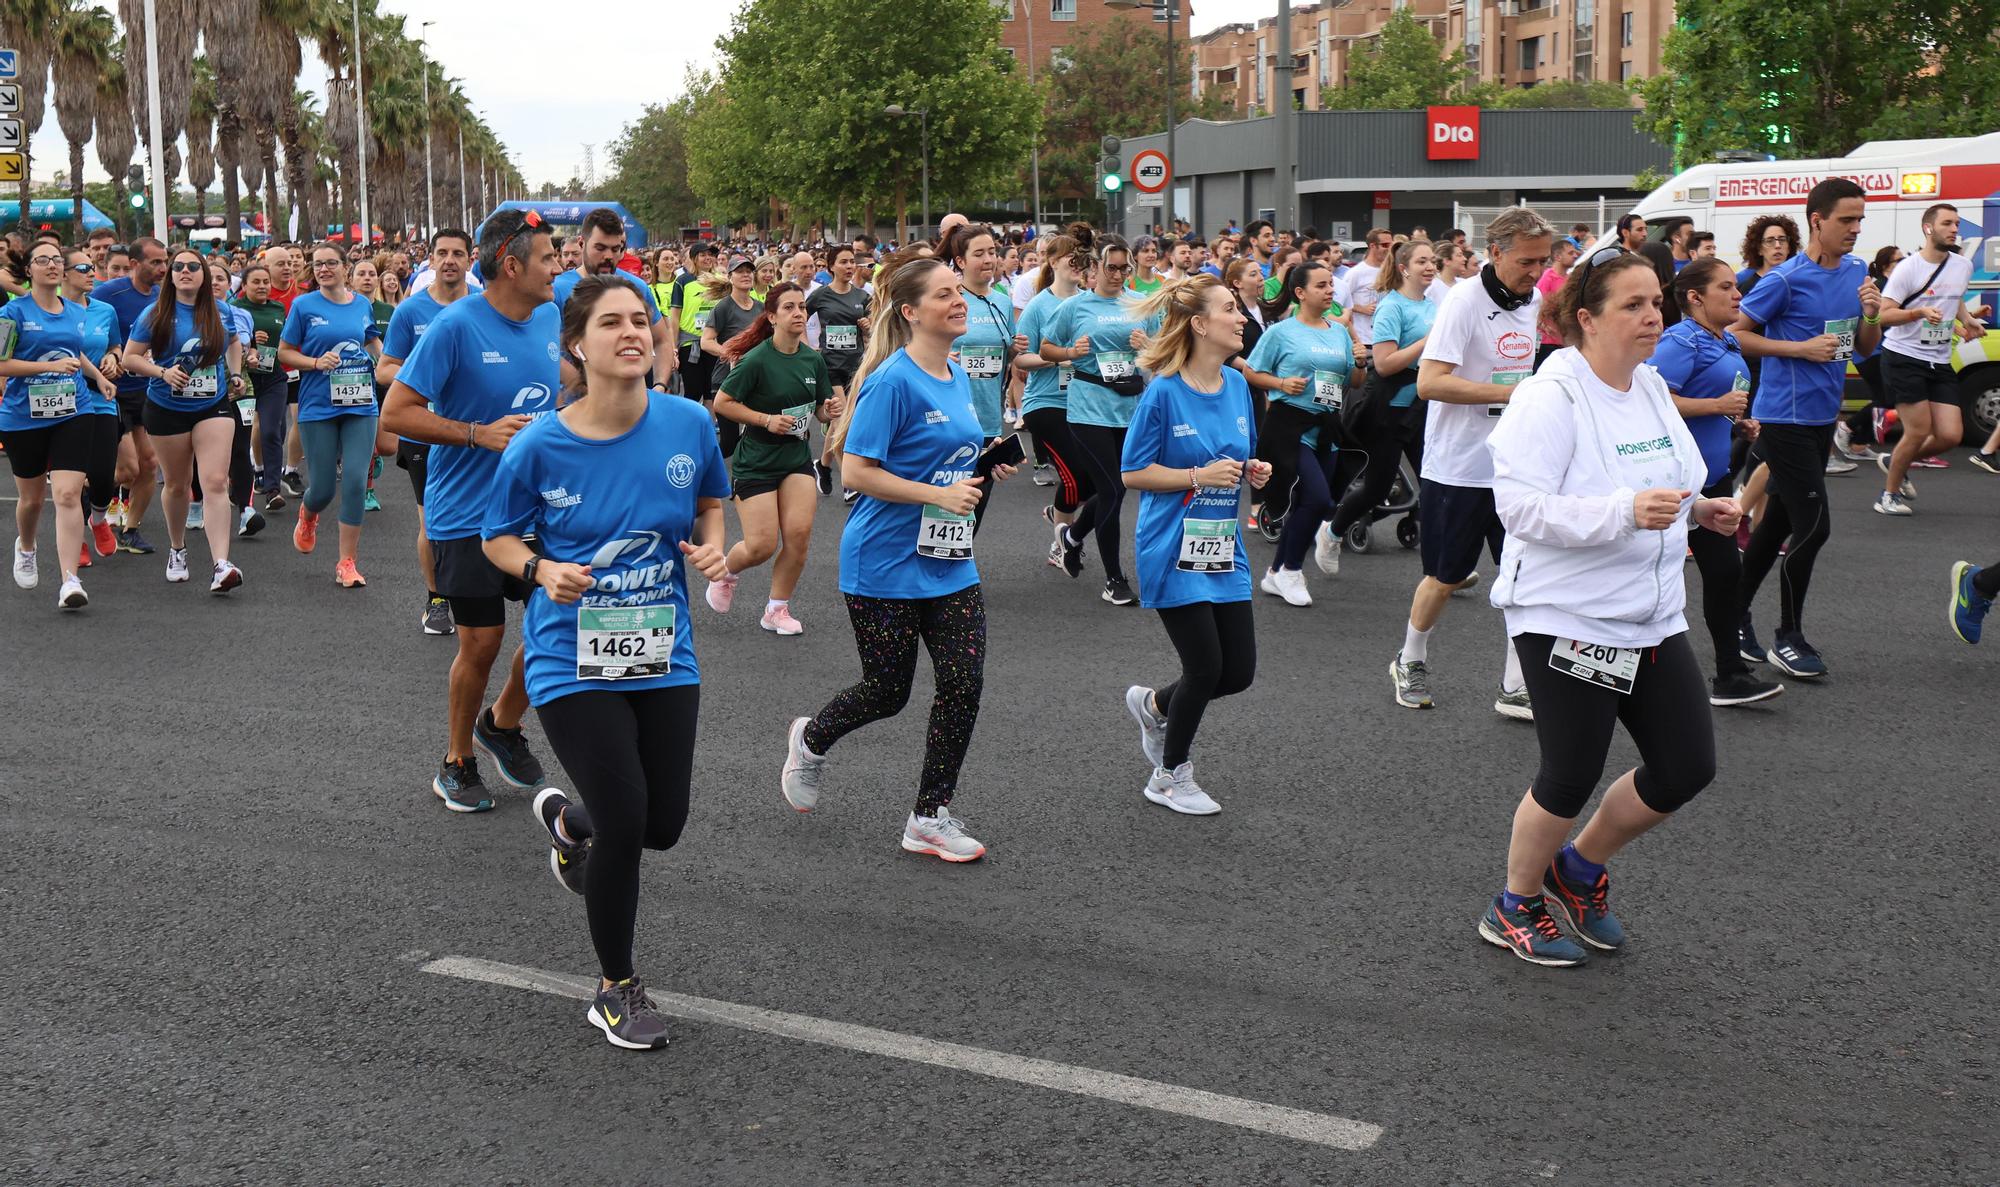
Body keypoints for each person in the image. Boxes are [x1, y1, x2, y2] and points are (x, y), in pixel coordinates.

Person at [481, 276, 730, 1051]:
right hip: (569, 655)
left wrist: (714, 542)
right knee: (628, 821)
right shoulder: (538, 444)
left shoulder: (689, 423)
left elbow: (712, 503)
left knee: (664, 824)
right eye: (612, 323)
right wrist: (538, 571)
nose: (633, 332)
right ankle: (615, 987)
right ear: (577, 347)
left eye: (641, 321)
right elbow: (499, 536)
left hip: (663, 650)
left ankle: (568, 818)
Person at [1476, 247, 1733, 968]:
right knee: (1569, 770)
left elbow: (1669, 486)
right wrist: (1625, 511)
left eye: (1657, 302)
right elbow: (1520, 508)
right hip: (1567, 614)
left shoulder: (1649, 387)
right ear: (1585, 319)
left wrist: (1700, 509)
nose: (1654, 316)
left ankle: (1578, 867)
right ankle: (1515, 902)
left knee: (1685, 766)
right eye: (1633, 305)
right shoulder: (1550, 394)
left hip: (1650, 612)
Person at [778, 258, 1018, 861]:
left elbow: (942, 451)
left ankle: (929, 816)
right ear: (911, 311)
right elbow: (858, 473)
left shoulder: (957, 373)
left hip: (948, 558)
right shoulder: (892, 380)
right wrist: (939, 492)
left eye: (959, 292)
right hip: (883, 561)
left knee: (964, 685)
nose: (959, 301)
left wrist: (984, 461)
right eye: (945, 294)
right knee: (888, 691)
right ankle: (812, 738)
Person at [380, 208, 557, 812]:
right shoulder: (455, 327)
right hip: (467, 514)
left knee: (554, 630)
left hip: (540, 512)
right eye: (548, 258)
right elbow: (397, 415)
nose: (558, 266)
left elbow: (562, 389)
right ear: (512, 265)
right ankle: (456, 760)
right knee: (481, 643)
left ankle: (502, 722)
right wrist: (477, 433)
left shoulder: (551, 316)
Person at [1119, 275, 1271, 815]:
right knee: (1205, 667)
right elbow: (1133, 472)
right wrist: (1195, 477)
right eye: (1230, 309)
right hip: (1170, 544)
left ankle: (1157, 704)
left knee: (1238, 673)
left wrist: (1254, 469)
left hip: (1222, 544)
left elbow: (1238, 456)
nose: (1241, 318)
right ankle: (1169, 775)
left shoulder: (1236, 385)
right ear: (1201, 325)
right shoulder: (1163, 390)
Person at [1394, 208, 1553, 716]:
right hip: (1458, 466)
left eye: (1543, 261)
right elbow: (1430, 383)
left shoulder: (1537, 300)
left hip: (1516, 467)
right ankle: (1410, 657)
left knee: (1524, 579)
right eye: (1527, 261)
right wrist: (1512, 393)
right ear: (1497, 253)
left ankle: (1516, 682)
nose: (1536, 272)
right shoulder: (1463, 301)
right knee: (1445, 577)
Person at [1728, 177, 1881, 678]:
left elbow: (1860, 346)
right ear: (1817, 220)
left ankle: (1732, 616)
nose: (1856, 229)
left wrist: (1873, 314)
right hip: (1783, 416)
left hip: (1821, 416)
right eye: (1846, 220)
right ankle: (1787, 636)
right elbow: (1735, 335)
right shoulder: (1785, 279)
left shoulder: (1857, 270)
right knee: (1814, 528)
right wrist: (1797, 349)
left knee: (1777, 526)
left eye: (1860, 219)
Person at [1649, 259, 1785, 706]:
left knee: (1725, 573)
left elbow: (1715, 400)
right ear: (1695, 297)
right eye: (1725, 287)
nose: (1737, 295)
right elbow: (1652, 400)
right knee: (1654, 579)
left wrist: (1736, 421)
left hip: (1716, 475)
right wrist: (1714, 405)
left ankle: (1730, 674)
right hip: (1675, 482)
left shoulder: (1724, 338)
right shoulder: (1679, 340)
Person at [707, 282, 841, 634]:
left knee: (799, 535)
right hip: (756, 461)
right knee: (761, 545)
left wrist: (829, 410)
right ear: (772, 317)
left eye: (802, 307)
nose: (799, 313)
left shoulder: (813, 359)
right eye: (790, 308)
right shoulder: (757, 360)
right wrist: (766, 419)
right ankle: (726, 572)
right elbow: (723, 403)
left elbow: (821, 411)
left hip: (795, 457)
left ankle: (776, 609)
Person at [121, 246, 246, 593]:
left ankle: (221, 564)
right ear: (171, 275)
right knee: (177, 484)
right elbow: (131, 359)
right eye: (178, 267)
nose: (185, 271)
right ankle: (178, 549)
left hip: (213, 405)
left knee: (216, 481)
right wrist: (162, 373)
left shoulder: (221, 311)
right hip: (166, 406)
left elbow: (234, 343)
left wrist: (235, 373)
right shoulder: (156, 312)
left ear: (204, 274)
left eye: (193, 266)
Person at [1044, 236, 1159, 605]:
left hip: (1130, 406)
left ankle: (1072, 538)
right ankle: (1114, 580)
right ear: (1094, 269)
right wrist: (1068, 352)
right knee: (1112, 490)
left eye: (1125, 268)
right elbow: (1045, 348)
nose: (1119, 275)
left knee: (1117, 487)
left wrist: (1148, 348)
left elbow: (1162, 355)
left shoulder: (1141, 306)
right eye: (1111, 267)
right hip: (1087, 407)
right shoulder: (1075, 306)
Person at [2, 243, 117, 607]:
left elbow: (73, 351)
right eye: (43, 260)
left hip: (74, 409)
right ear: (29, 270)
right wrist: (46, 368)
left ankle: (70, 580)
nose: (52, 265)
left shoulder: (76, 312)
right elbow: (1, 364)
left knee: (67, 493)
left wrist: (98, 376)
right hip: (24, 415)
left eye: (56, 260)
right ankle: (27, 545)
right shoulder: (11, 312)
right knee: (32, 500)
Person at [378, 229, 474, 636]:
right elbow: (384, 368)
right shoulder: (410, 311)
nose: (449, 260)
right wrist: (426, 381)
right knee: (430, 520)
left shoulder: (486, 308)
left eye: (458, 253)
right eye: (442, 253)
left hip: (476, 429)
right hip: (423, 431)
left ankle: (476, 593)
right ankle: (436, 600)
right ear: (430, 259)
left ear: (471, 260)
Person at [1244, 260, 1354, 608]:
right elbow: (1251, 371)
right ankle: (1291, 570)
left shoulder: (1338, 331)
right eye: (1321, 286)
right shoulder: (1281, 332)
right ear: (1300, 292)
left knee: (1313, 504)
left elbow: (1353, 381)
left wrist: (1362, 362)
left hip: (1327, 426)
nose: (1330, 290)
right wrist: (1280, 383)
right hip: (1289, 425)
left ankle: (1276, 574)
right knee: (1319, 500)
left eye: (1331, 285)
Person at [279, 244, 384, 586]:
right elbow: (285, 352)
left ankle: (347, 562)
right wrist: (314, 362)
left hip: (360, 403)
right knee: (322, 488)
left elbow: (372, 343)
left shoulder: (362, 304)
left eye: (331, 263)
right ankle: (309, 514)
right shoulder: (303, 305)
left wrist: (388, 365)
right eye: (318, 264)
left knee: (354, 480)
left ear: (345, 267)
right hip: (318, 404)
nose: (324, 269)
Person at [1326, 239, 1437, 554]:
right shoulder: (1392, 305)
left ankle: (1445, 567)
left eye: (1433, 261)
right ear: (1404, 268)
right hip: (1387, 408)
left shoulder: (1431, 305)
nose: (1430, 267)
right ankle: (1331, 531)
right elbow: (1386, 364)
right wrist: (1429, 342)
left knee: (1434, 481)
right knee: (1376, 488)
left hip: (1420, 405)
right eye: (1422, 262)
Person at [1873, 203, 1982, 517]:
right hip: (1903, 357)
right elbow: (1884, 314)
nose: (1954, 229)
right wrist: (1918, 312)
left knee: (1950, 435)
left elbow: (1955, 296)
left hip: (1939, 358)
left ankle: (1897, 461)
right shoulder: (1909, 268)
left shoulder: (1962, 265)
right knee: (1918, 431)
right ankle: (1888, 495)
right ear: (1928, 228)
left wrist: (1966, 323)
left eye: (1956, 223)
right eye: (1947, 223)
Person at [1015, 234, 1094, 560]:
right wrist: (1059, 357)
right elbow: (1021, 360)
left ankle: (1061, 516)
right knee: (1074, 477)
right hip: (1046, 403)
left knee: (1099, 482)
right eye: (1070, 259)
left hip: (1087, 402)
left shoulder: (1090, 300)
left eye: (1082, 259)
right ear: (1054, 261)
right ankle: (1061, 544)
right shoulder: (1038, 305)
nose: (1078, 265)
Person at [95, 237, 167, 555]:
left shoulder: (164, 296)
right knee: (127, 470)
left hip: (147, 390)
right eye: (155, 262)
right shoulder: (109, 294)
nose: (163, 268)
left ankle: (130, 530)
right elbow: (87, 329)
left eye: (165, 261)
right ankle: (79, 493)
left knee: (150, 463)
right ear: (136, 265)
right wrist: (109, 358)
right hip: (113, 392)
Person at [550, 207, 673, 390]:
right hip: (573, 406)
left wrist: (660, 385)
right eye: (600, 248)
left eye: (616, 249)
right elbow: (545, 349)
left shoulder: (637, 287)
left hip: (629, 405)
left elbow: (662, 340)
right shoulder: (556, 289)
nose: (608, 256)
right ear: (582, 244)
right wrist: (586, 389)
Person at [61, 248, 124, 567]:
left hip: (101, 399)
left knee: (102, 474)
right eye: (83, 267)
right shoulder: (52, 312)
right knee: (71, 482)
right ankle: (77, 541)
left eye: (91, 267)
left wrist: (113, 357)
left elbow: (115, 344)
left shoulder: (104, 310)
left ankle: (98, 518)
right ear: (63, 274)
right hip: (61, 400)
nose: (91, 272)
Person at [942, 224, 1017, 448]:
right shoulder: (947, 299)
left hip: (989, 418)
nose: (988, 259)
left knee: (983, 482)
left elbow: (1009, 353)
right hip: (949, 417)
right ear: (960, 261)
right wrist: (942, 358)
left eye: (992, 252)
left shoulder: (1003, 301)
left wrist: (1017, 348)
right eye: (979, 254)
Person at [232, 262, 292, 519]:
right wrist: (252, 340)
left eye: (266, 282)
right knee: (240, 436)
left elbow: (287, 339)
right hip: (244, 378)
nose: (262, 286)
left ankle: (272, 490)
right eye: (255, 282)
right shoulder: (235, 309)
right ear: (244, 286)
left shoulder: (278, 307)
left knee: (272, 430)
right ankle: (242, 483)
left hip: (274, 377)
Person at [1535, 237, 1582, 368]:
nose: (1575, 256)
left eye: (1575, 253)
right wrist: (1544, 327)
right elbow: (1536, 306)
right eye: (1570, 253)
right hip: (1547, 341)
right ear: (1558, 256)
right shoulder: (1547, 277)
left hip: (1564, 340)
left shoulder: (1568, 279)